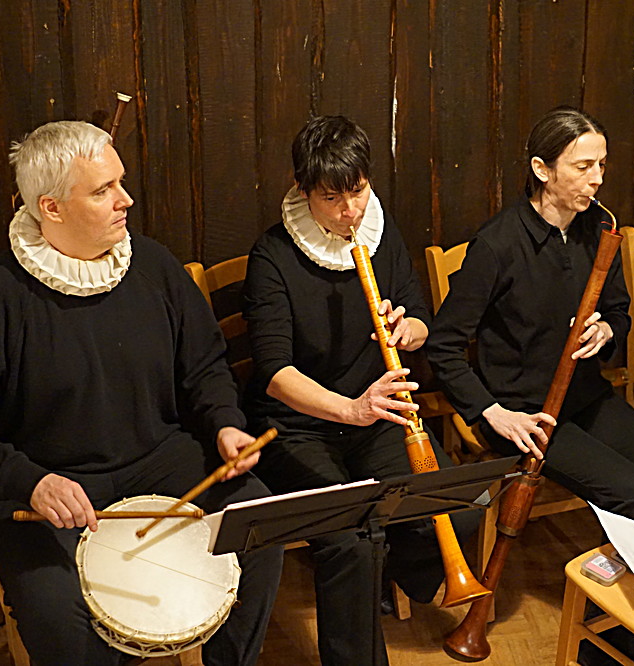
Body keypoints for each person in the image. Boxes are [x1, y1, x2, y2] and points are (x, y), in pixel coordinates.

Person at [0, 121, 282, 665]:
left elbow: (204, 365)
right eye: (102, 189)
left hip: (158, 460)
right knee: (62, 620)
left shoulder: (153, 265)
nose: (125, 199)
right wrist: (28, 481)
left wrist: (225, 422)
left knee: (259, 527)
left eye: (121, 182)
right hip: (48, 485)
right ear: (52, 208)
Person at [241, 115, 476, 665]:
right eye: (332, 199)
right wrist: (350, 408)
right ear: (304, 191)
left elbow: (418, 316)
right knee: (349, 540)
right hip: (297, 428)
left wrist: (407, 328)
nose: (350, 211)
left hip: (375, 415)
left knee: (458, 510)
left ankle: (397, 564)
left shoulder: (379, 232)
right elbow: (275, 374)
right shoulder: (271, 258)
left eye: (359, 192)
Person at [427, 105, 634, 525]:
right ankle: (608, 590)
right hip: (521, 413)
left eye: (602, 165)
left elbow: (620, 311)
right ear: (541, 169)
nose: (598, 179)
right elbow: (443, 345)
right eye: (583, 166)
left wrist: (607, 330)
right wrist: (490, 411)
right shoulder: (497, 245)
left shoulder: (596, 227)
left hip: (584, 394)